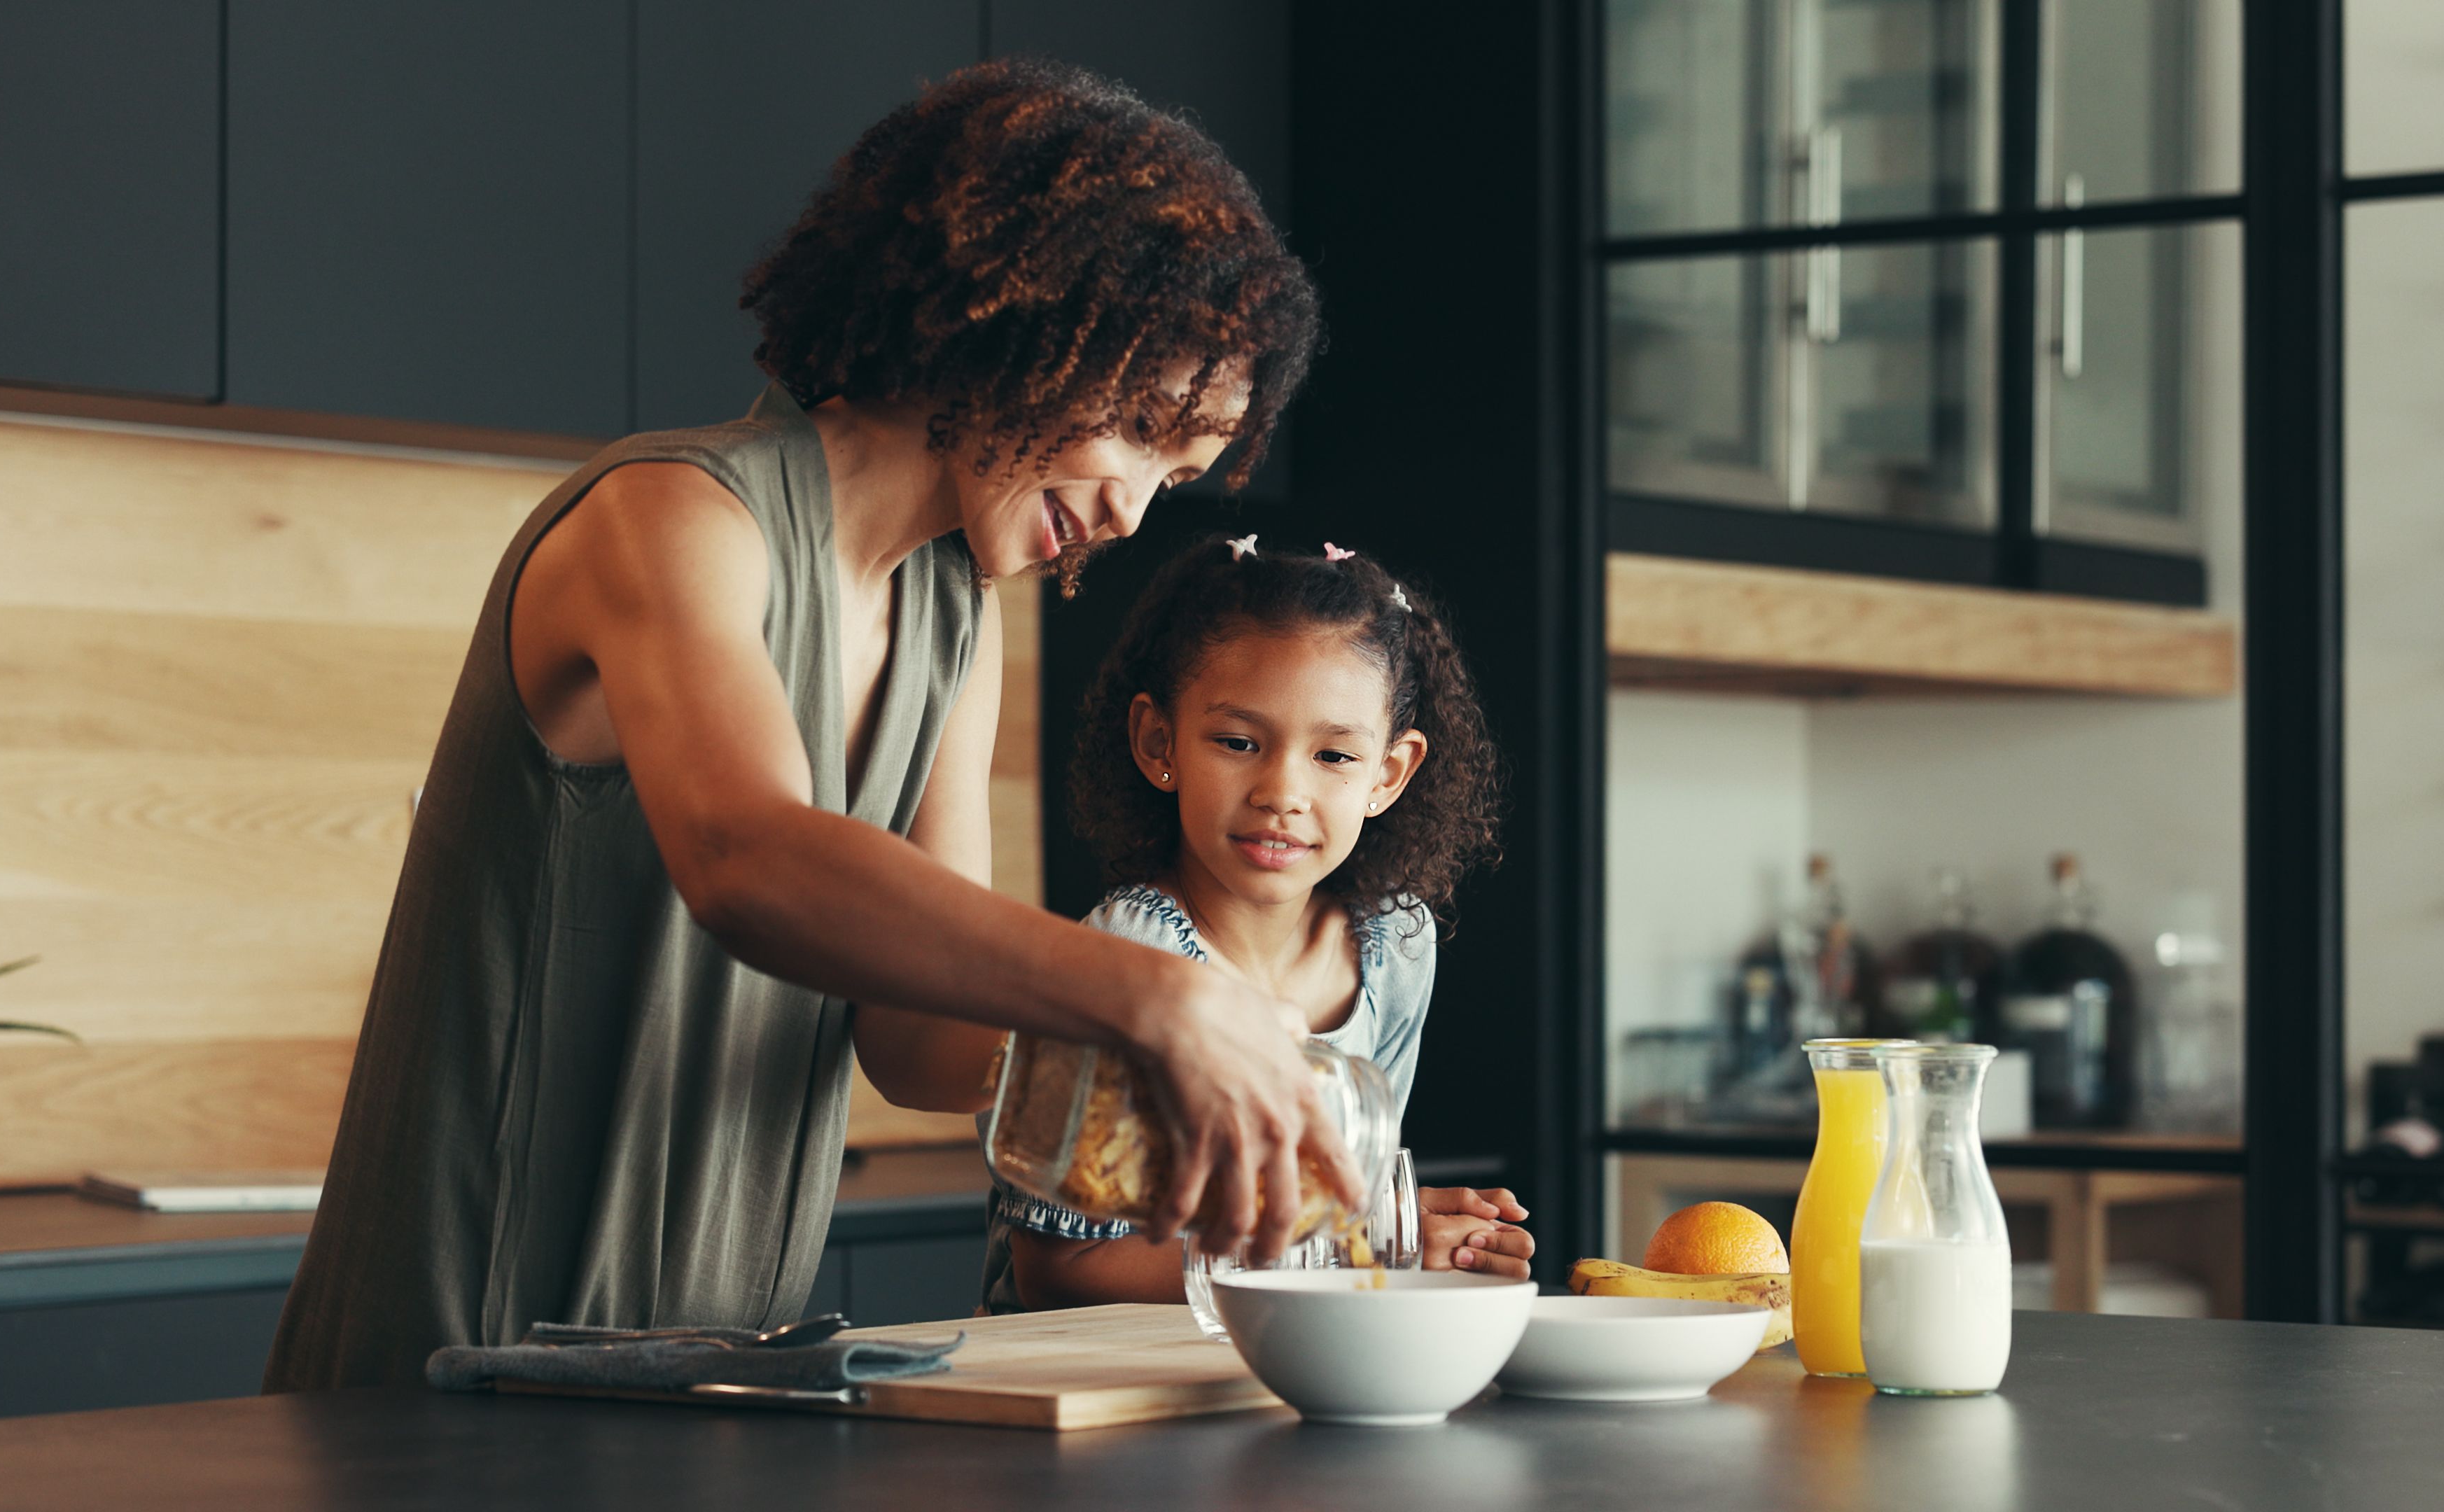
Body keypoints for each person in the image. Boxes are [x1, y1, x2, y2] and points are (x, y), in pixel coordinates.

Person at [263, 59, 1330, 1392]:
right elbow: (748, 860)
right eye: (1135, 432)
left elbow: (917, 1043)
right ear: (1009, 326)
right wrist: (1155, 999)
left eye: (1176, 478)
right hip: (453, 1368)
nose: (1131, 513)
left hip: (716, 1373)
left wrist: (1180, 1080)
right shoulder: (670, 516)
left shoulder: (954, 618)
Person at [982, 536, 1532, 1314]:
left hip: (1268, 1374)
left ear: (1390, 774)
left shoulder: (1394, 946)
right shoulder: (1120, 960)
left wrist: (1402, 1226)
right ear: (1157, 742)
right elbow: (1059, 1272)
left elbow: (1334, 1205)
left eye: (1335, 757)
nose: (1282, 791)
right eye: (1239, 743)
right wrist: (1360, 1248)